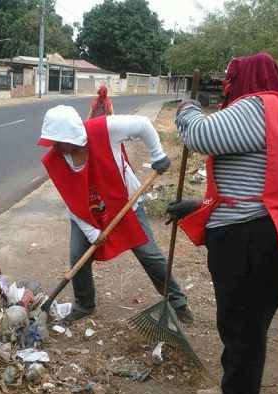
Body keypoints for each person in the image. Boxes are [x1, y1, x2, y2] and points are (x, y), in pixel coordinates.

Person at [166, 52, 278, 394]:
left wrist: (187, 108)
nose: (227, 85)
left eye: (229, 78)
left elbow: (200, 135)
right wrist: (199, 205)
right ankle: (233, 385)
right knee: (241, 320)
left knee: (243, 322)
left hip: (258, 234)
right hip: (275, 228)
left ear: (245, 78)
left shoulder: (257, 105)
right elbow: (255, 178)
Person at [37, 105, 193, 324]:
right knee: (77, 256)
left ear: (71, 135)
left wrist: (158, 155)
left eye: (58, 141)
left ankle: (177, 300)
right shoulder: (55, 160)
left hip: (125, 203)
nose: (55, 147)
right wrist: (91, 232)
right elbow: (69, 201)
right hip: (86, 214)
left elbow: (142, 125)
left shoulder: (104, 129)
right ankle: (85, 304)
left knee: (148, 253)